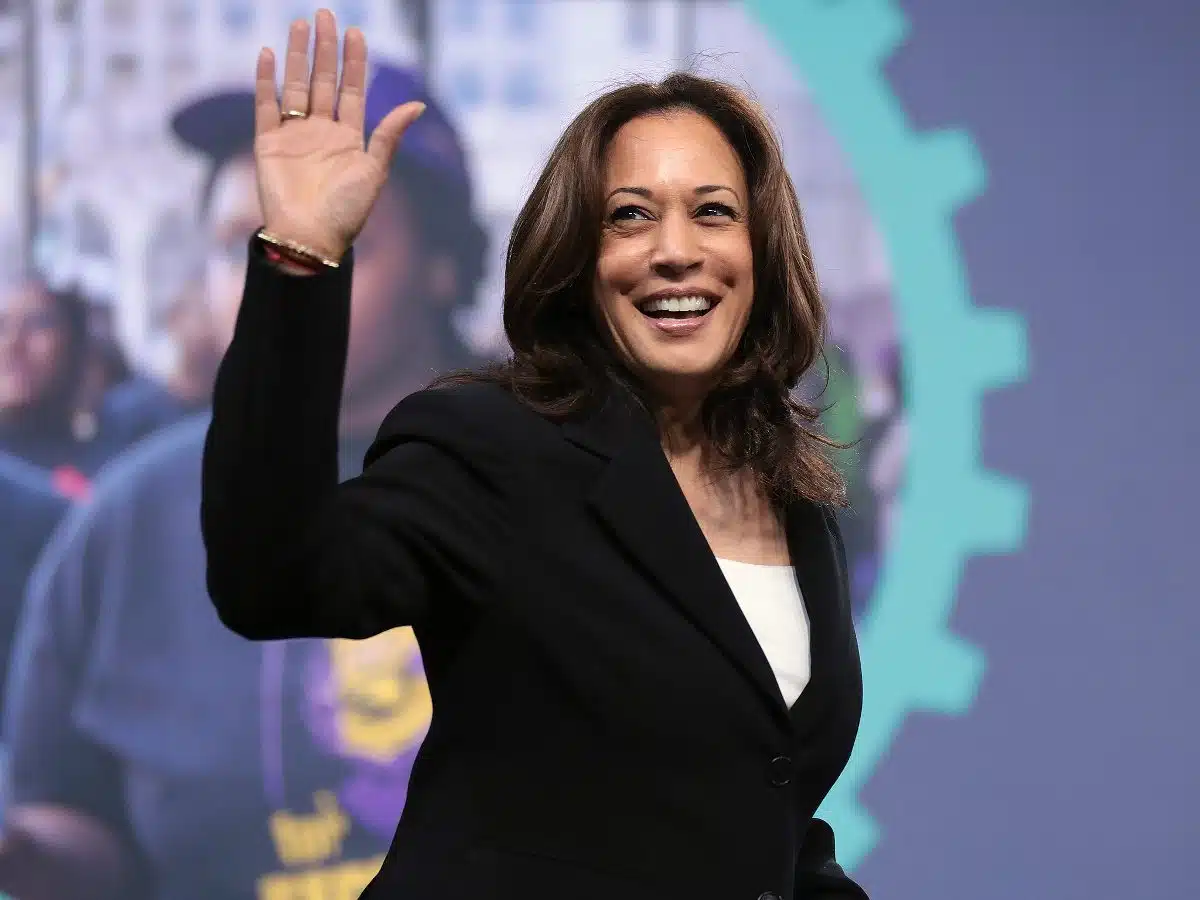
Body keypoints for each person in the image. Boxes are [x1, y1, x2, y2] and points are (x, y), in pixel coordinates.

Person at [202, 11, 868, 900]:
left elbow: (761, 810)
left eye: (713, 213)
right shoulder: (490, 443)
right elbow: (271, 578)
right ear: (579, 263)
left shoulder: (795, 498)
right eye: (630, 217)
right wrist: (303, 258)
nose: (676, 252)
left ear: (760, 252)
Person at [0, 55, 487, 900]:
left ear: (442, 263)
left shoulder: (587, 483)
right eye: (242, 246)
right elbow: (77, 823)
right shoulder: (128, 525)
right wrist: (23, 854)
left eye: (336, 235)